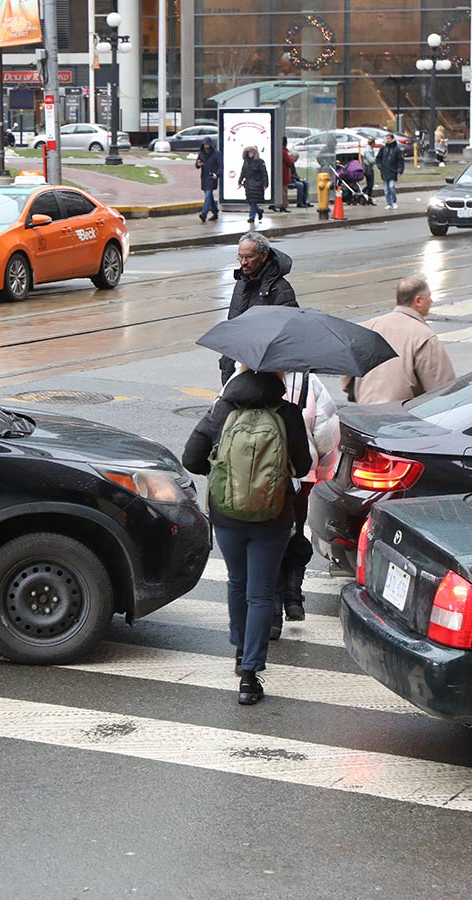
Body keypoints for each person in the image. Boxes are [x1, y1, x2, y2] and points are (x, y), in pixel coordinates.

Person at [181, 367, 312, 705]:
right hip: (274, 514)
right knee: (261, 594)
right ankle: (250, 678)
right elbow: (304, 464)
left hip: (226, 513)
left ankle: (240, 653)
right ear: (278, 377)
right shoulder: (289, 413)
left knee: (237, 581)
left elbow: (190, 458)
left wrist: (222, 468)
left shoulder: (221, 409)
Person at [270, 371, 341, 638]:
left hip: (254, 478)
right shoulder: (308, 382)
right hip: (299, 475)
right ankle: (293, 594)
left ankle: (273, 612)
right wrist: (322, 471)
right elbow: (327, 431)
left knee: (268, 540)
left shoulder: (242, 379)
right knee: (295, 531)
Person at [344, 275, 455, 404]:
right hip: (399, 417)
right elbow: (442, 388)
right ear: (418, 301)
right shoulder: (423, 335)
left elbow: (347, 378)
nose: (431, 301)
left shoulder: (370, 326)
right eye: (429, 296)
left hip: (364, 414)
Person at [219, 231, 297, 385]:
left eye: (249, 257)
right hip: (235, 363)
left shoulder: (279, 288)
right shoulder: (241, 283)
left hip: (262, 371)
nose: (243, 262)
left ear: (263, 256)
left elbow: (290, 333)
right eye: (240, 257)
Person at [238, 145, 268, 224]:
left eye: (251, 152)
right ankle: (259, 210)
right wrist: (240, 181)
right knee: (250, 201)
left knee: (253, 201)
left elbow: (264, 173)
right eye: (248, 152)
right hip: (248, 184)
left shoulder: (260, 162)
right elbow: (243, 172)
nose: (250, 154)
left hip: (257, 184)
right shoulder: (246, 162)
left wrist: (265, 184)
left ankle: (251, 217)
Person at [375, 132, 405, 209]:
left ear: (392, 139)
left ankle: (394, 201)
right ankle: (389, 203)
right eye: (386, 138)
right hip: (384, 171)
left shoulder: (397, 149)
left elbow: (400, 161)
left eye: (389, 138)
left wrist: (400, 170)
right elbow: (378, 158)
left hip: (393, 171)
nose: (387, 140)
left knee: (391, 186)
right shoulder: (383, 148)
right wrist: (380, 166)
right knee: (386, 189)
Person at [195, 136, 221, 222]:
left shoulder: (216, 154)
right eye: (204, 145)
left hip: (212, 177)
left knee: (208, 195)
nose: (206, 147)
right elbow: (197, 164)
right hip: (204, 177)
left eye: (207, 145)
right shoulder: (201, 153)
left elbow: (221, 166)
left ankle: (204, 213)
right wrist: (198, 164)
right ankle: (215, 211)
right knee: (209, 196)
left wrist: (217, 175)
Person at [360, 139, 377, 205]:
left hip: (370, 168)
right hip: (368, 169)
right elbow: (371, 160)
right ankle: (364, 194)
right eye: (374, 143)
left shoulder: (371, 149)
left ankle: (368, 197)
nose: (375, 144)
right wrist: (376, 159)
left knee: (370, 184)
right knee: (370, 184)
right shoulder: (368, 151)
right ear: (372, 143)